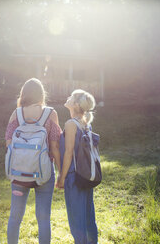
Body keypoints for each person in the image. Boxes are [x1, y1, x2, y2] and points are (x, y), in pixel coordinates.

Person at [5, 78, 62, 244]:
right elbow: (55, 146)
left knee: (15, 217)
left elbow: (9, 143)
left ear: (23, 94)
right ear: (41, 94)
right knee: (43, 218)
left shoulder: (17, 114)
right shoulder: (50, 113)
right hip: (44, 174)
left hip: (18, 174)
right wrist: (60, 173)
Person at [56, 89, 99, 244]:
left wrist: (61, 178)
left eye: (71, 97)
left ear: (74, 104)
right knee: (88, 217)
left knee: (76, 221)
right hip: (86, 175)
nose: (67, 98)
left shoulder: (70, 124)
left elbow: (68, 154)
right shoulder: (86, 123)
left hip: (74, 176)